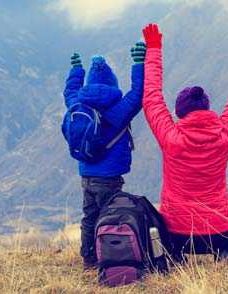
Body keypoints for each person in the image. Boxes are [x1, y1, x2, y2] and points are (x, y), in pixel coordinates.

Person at [141, 23, 228, 262]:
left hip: (178, 234)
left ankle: (178, 259)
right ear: (207, 106)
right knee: (223, 238)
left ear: (179, 112)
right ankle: (222, 256)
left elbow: (151, 98)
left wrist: (154, 49)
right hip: (221, 233)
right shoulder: (224, 135)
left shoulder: (171, 138)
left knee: (169, 238)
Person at [62, 42, 146, 271]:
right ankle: (109, 256)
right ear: (113, 84)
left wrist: (76, 71)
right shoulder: (119, 110)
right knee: (111, 217)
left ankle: (89, 258)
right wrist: (139, 62)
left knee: (89, 218)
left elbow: (69, 92)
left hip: (86, 176)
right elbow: (138, 94)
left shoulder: (77, 105)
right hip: (110, 178)